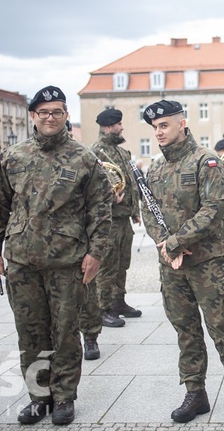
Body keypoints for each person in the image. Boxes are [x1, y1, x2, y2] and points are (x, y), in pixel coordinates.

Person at [0, 85, 113, 425]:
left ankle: (65, 398)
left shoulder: (84, 158)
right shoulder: (14, 157)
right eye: (44, 112)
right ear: (33, 117)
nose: (50, 117)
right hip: (22, 262)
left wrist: (96, 253)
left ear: (66, 115)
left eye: (57, 111)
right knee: (30, 333)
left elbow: (101, 211)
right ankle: (39, 397)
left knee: (66, 331)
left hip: (67, 262)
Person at [141, 100, 224, 424]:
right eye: (155, 127)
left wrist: (175, 241)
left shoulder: (207, 161)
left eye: (164, 125)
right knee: (186, 331)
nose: (159, 132)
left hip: (208, 265)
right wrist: (166, 247)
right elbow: (147, 211)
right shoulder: (154, 169)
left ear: (182, 123)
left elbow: (213, 211)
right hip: (172, 267)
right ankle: (195, 393)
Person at [91, 109, 142, 320]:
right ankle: (102, 308)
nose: (121, 127)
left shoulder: (122, 153)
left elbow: (129, 183)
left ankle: (118, 302)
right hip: (108, 219)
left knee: (122, 263)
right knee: (107, 266)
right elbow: (93, 187)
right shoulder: (96, 152)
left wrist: (135, 211)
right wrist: (111, 199)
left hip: (123, 219)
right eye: (118, 124)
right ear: (107, 127)